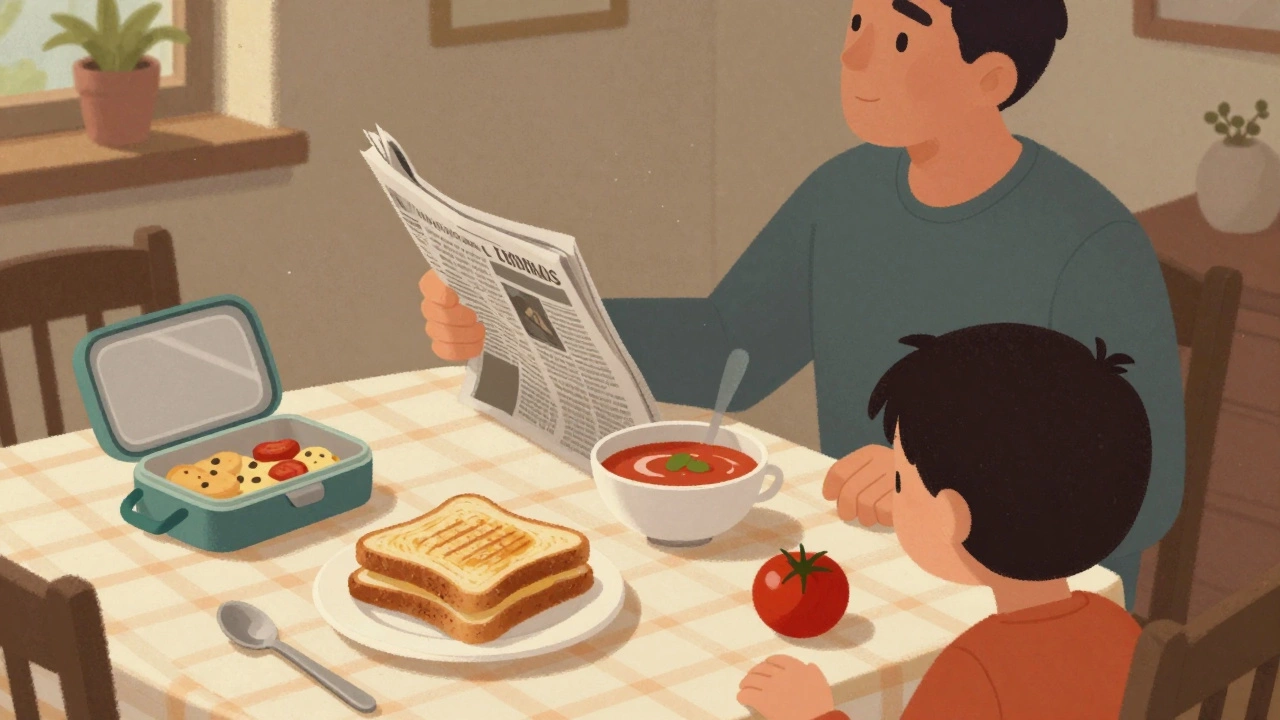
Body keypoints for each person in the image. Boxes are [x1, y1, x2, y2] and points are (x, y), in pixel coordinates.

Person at [417, 0, 1184, 607]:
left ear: (990, 79)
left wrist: (947, 490)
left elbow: (1145, 491)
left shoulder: (1090, 242)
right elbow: (731, 343)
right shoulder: (843, 195)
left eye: (902, 39)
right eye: (856, 22)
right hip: (861, 572)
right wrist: (521, 322)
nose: (853, 57)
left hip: (1026, 612)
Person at [737, 324, 1150, 719]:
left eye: (901, 479)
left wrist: (813, 713)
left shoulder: (975, 667)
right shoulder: (1115, 623)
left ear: (954, 517)